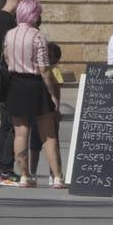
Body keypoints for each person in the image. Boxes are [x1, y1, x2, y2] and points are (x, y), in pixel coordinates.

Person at [1, 0, 66, 189]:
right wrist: (53, 95)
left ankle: (24, 176)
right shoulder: (38, 37)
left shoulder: (10, 35)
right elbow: (44, 69)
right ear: (34, 15)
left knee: (20, 133)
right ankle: (57, 177)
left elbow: (6, 57)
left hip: (16, 85)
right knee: (48, 135)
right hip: (36, 85)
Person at [0, 0, 26, 186]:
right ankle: (6, 170)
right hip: (8, 80)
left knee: (5, 126)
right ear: (19, 1)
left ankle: (2, 169)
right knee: (11, 126)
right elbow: (10, 49)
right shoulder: (7, 21)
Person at [28, 41, 64, 182]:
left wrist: (57, 108)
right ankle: (35, 172)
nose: (46, 57)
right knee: (36, 145)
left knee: (50, 144)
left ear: (56, 59)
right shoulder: (39, 69)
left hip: (48, 110)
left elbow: (57, 91)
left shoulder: (54, 70)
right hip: (39, 110)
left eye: (49, 55)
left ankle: (51, 173)